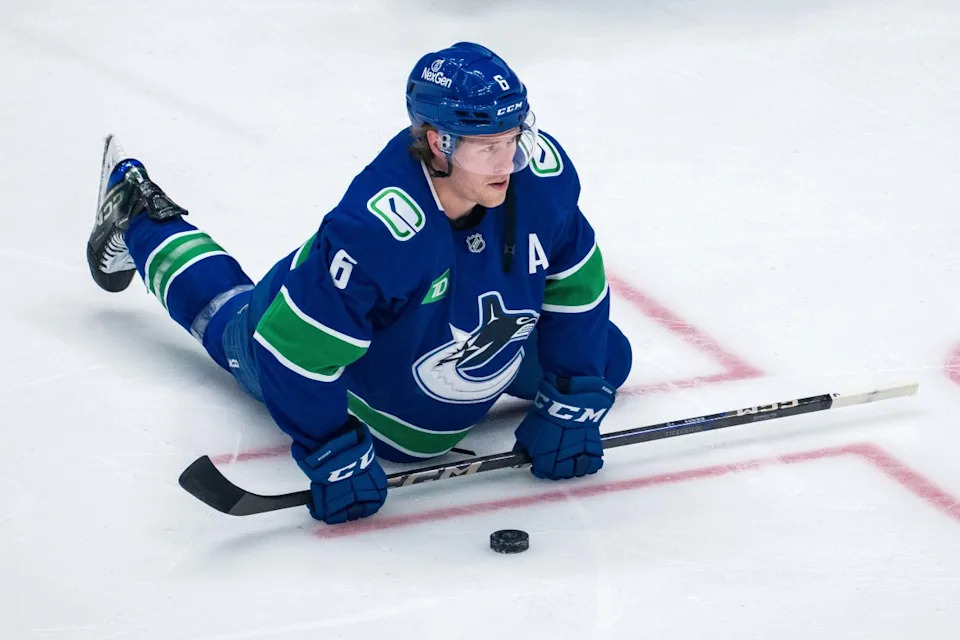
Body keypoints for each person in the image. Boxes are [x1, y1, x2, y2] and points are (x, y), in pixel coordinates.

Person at [85, 42, 633, 524]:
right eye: (488, 146)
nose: (509, 161)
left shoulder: (540, 179)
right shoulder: (378, 231)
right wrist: (333, 448)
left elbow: (576, 289)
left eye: (514, 138)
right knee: (232, 317)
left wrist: (573, 398)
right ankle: (137, 216)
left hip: (450, 323)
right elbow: (291, 353)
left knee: (608, 360)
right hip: (311, 325)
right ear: (438, 142)